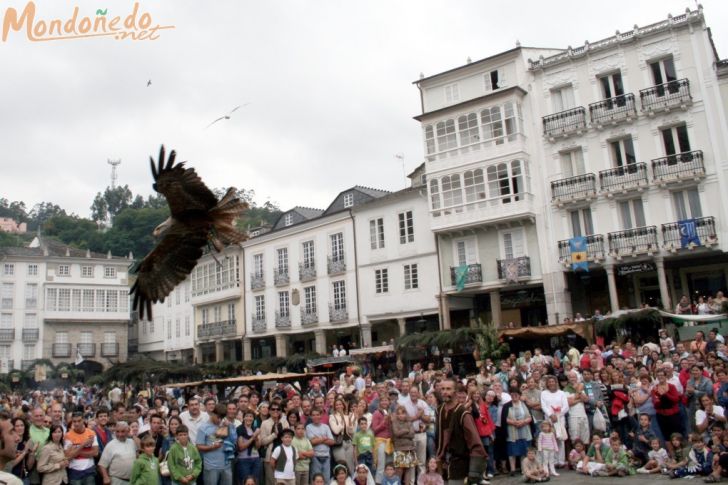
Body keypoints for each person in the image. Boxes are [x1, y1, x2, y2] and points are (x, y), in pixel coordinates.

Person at [435, 379, 487, 485]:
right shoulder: (439, 410)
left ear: (455, 392)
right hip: (443, 464)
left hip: (460, 463)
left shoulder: (463, 413)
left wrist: (474, 471)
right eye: (443, 389)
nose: (445, 392)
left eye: (448, 389)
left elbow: (475, 442)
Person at [196, 404, 232, 485]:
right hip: (211, 466)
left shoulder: (225, 425)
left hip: (226, 465)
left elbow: (233, 440)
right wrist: (212, 447)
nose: (219, 420)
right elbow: (198, 446)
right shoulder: (203, 428)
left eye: (222, 418)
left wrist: (229, 427)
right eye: (218, 417)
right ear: (213, 413)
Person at [539, 377, 568, 467]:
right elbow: (544, 406)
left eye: (553, 381)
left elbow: (566, 406)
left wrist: (558, 415)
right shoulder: (544, 393)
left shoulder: (561, 393)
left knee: (560, 439)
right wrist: (551, 415)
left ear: (556, 383)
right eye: (549, 382)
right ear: (547, 384)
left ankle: (561, 461)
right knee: (550, 439)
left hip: (560, 418)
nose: (551, 383)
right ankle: (553, 461)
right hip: (549, 419)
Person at [64, 412, 99, 485]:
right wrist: (83, 444)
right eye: (74, 421)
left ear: (83, 420)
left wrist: (76, 451)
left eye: (79, 421)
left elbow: (95, 453)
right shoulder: (68, 435)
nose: (76, 423)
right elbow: (68, 457)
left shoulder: (91, 433)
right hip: (74, 472)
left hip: (89, 470)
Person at [306, 409, 334, 483]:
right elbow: (312, 442)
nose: (315, 417)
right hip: (315, 457)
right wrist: (324, 438)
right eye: (313, 415)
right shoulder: (309, 427)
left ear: (321, 415)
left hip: (326, 457)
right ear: (311, 416)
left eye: (317, 415)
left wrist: (318, 439)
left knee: (326, 480)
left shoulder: (326, 427)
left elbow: (332, 442)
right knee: (316, 481)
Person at [391, 406, 416, 485]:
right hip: (399, 448)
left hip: (409, 447)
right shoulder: (394, 422)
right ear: (397, 415)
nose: (401, 415)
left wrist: (402, 433)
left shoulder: (409, 422)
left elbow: (412, 435)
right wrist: (406, 430)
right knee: (399, 469)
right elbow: (396, 433)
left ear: (405, 414)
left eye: (403, 413)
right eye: (399, 414)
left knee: (408, 469)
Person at [236, 411, 261, 485]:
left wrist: (256, 438)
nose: (249, 418)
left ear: (253, 419)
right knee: (244, 481)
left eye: (251, 416)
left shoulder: (255, 429)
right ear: (243, 417)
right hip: (244, 459)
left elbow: (258, 447)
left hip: (256, 458)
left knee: (255, 482)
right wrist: (253, 437)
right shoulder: (240, 429)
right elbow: (241, 447)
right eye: (247, 416)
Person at [10, 417, 36, 485]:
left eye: (22, 425)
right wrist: (24, 452)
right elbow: (10, 465)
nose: (20, 428)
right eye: (17, 426)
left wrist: (32, 452)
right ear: (13, 428)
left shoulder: (27, 442)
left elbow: (29, 466)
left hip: (24, 478)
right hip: (11, 478)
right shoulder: (9, 442)